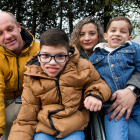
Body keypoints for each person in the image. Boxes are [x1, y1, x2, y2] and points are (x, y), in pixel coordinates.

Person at [8, 29, 111, 140]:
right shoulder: (32, 77)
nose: (52, 62)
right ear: (38, 56)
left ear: (68, 56)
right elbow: (26, 118)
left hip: (74, 126)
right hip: (45, 127)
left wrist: (95, 95)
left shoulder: (82, 67)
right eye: (46, 56)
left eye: (60, 56)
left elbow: (98, 83)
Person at [70, 17, 140, 139]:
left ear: (101, 35)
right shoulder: (75, 59)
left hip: (134, 103)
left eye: (92, 33)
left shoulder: (130, 49)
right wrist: (94, 95)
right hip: (106, 110)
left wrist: (132, 90)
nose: (87, 38)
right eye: (82, 34)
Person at [0, 11, 40, 140]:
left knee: (13, 117)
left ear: (18, 26)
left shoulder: (41, 50)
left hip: (30, 97)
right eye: (0, 33)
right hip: (5, 98)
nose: (7, 36)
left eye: (10, 29)